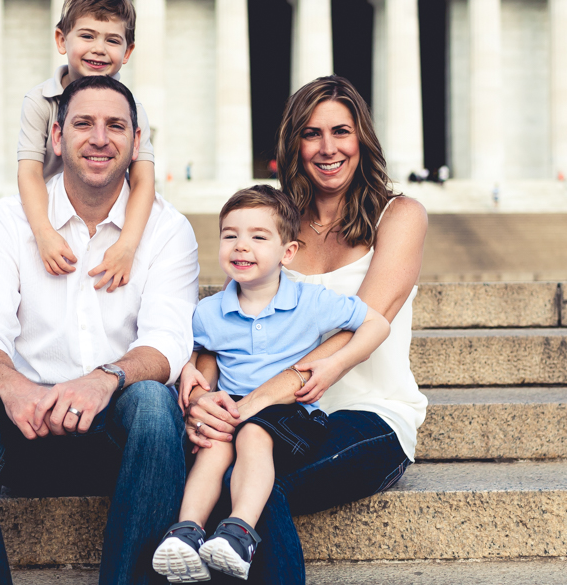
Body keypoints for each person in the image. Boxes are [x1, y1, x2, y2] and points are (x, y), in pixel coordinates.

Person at [0, 76, 200, 585]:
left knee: (155, 405)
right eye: (83, 123)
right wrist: (13, 386)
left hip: (119, 428)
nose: (99, 138)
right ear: (55, 136)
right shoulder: (6, 223)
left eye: (115, 126)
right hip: (25, 423)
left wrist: (105, 378)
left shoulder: (167, 229)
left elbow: (168, 342)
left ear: (137, 143)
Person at [180, 75, 428, 584]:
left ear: (363, 138)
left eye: (341, 131)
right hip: (282, 420)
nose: (328, 147)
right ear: (294, 143)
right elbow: (231, 314)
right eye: (311, 134)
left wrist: (250, 404)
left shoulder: (398, 215)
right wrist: (201, 385)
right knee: (230, 471)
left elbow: (363, 324)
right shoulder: (276, 222)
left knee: (257, 487)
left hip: (369, 417)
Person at [152, 186, 390, 582]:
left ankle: (240, 531)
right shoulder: (209, 311)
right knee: (213, 445)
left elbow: (376, 323)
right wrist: (189, 367)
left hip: (292, 411)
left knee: (252, 436)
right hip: (235, 408)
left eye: (258, 237)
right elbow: (186, 349)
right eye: (231, 235)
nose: (241, 246)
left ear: (288, 252)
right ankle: (187, 533)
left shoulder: (310, 301)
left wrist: (333, 364)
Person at [17, 0, 156, 293]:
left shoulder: (132, 110)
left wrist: (127, 246)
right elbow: (29, 171)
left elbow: (144, 180)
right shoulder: (40, 101)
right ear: (61, 40)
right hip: (51, 213)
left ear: (128, 51)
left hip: (106, 217)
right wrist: (43, 232)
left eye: (112, 40)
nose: (99, 48)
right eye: (87, 35)